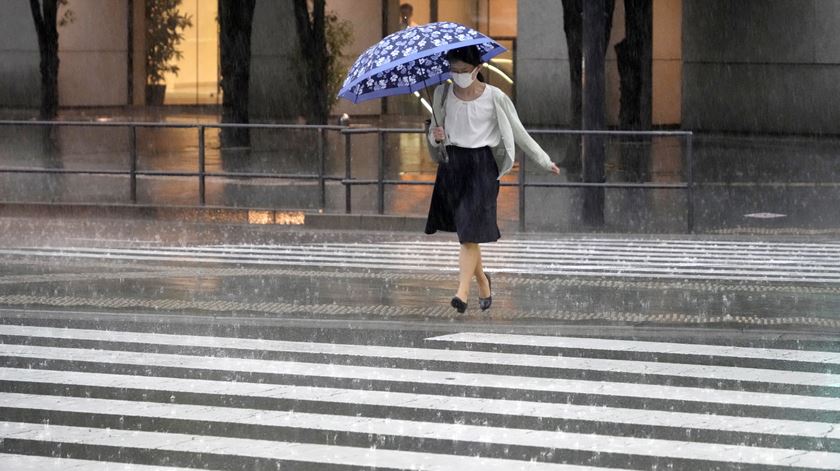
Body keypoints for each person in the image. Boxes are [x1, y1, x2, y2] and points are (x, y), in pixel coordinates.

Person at [425, 45, 561, 314]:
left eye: (463, 70)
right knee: (468, 232)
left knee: (468, 232)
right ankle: (484, 283)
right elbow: (433, 132)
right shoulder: (441, 94)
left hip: (483, 167)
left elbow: (519, 132)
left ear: (477, 69)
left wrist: (544, 160)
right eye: (453, 71)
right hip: (453, 166)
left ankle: (461, 294)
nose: (458, 75)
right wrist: (435, 135)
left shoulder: (495, 97)